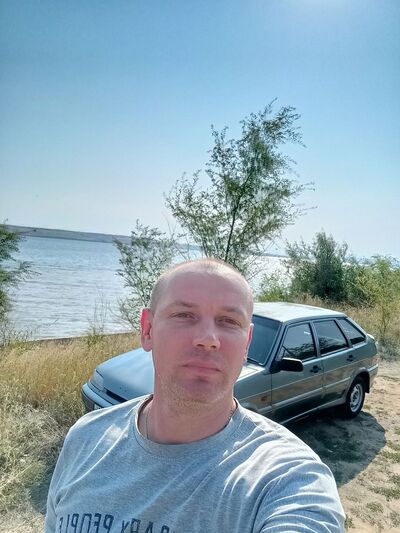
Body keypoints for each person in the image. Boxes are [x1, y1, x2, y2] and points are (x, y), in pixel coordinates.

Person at [45, 258, 345, 533]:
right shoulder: (85, 437)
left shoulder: (287, 477)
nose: (208, 339)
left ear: (246, 343)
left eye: (229, 321)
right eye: (184, 315)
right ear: (147, 330)